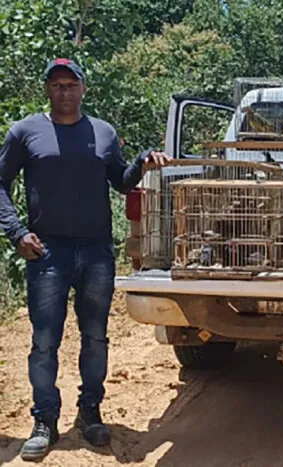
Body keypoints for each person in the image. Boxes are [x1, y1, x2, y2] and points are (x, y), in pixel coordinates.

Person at [0, 58, 170, 461]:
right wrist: (17, 233)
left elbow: (120, 181)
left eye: (70, 84)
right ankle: (44, 422)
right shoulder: (24, 132)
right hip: (47, 252)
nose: (64, 91)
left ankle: (90, 413)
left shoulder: (103, 133)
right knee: (44, 342)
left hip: (96, 252)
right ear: (47, 90)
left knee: (95, 338)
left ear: (84, 88)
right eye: (57, 85)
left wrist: (142, 162)